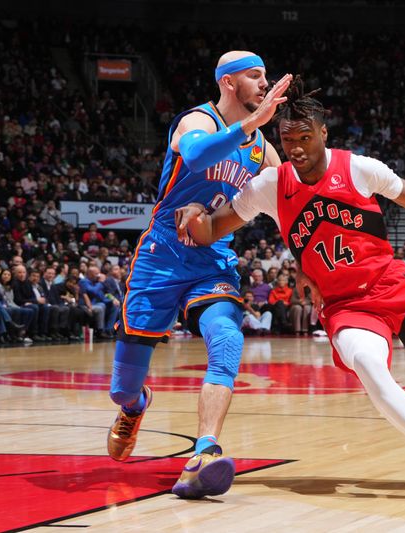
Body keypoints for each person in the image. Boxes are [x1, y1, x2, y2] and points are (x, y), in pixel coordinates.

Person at [177, 78, 405, 506]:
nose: (296, 148)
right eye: (287, 139)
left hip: (396, 288)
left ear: (323, 134)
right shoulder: (269, 185)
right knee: (369, 367)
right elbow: (212, 229)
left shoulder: (359, 168)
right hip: (345, 306)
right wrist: (193, 210)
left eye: (304, 137)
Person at [106, 50, 291, 500]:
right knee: (122, 386)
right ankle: (134, 406)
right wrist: (250, 124)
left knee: (227, 338)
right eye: (255, 76)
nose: (265, 83)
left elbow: (289, 203)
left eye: (266, 76)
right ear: (229, 83)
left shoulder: (263, 150)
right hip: (162, 256)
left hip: (213, 259)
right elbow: (195, 157)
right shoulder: (197, 121)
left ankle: (204, 451)